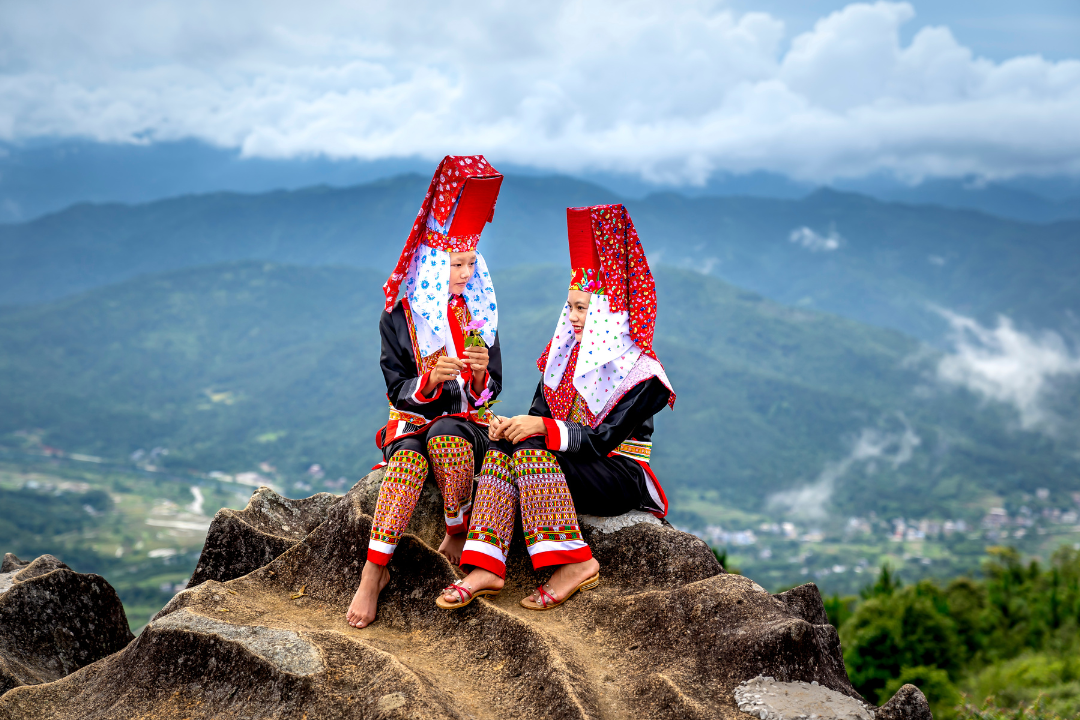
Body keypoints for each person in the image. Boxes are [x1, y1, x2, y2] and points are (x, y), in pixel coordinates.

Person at [438, 203, 676, 611]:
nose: (574, 316)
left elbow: (602, 441)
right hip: (566, 462)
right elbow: (539, 417)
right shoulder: (562, 357)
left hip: (618, 472)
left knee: (530, 450)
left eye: (583, 307)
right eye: (570, 306)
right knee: (505, 447)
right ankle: (486, 565)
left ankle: (577, 562)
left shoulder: (645, 376)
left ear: (608, 313)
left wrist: (539, 430)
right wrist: (511, 426)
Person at [347, 155, 504, 628]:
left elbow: (492, 387)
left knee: (448, 433)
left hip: (465, 425)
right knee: (411, 454)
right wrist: (432, 380)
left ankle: (457, 528)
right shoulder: (397, 315)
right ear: (433, 262)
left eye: (471, 262)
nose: (464, 273)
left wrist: (478, 375)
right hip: (413, 419)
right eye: (455, 263)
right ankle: (374, 572)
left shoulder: (476, 310)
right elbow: (397, 387)